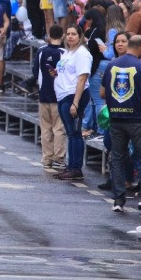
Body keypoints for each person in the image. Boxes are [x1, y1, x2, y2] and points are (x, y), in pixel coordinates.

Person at [101, 34, 141, 211]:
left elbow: (102, 93)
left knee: (117, 158)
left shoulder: (111, 65)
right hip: (137, 120)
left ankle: (118, 200)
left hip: (116, 119)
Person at [51, 24, 92, 182]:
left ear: (80, 36)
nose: (70, 36)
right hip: (63, 94)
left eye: (74, 34)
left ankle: (76, 168)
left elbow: (82, 78)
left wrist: (75, 102)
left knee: (75, 133)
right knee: (70, 132)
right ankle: (70, 166)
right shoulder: (67, 52)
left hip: (74, 95)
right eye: (68, 33)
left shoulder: (82, 53)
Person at [36, 25, 67, 172]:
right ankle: (59, 158)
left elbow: (35, 70)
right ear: (62, 36)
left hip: (43, 94)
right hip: (58, 95)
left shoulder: (41, 51)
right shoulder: (64, 53)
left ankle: (47, 158)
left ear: (49, 34)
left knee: (45, 128)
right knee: (58, 128)